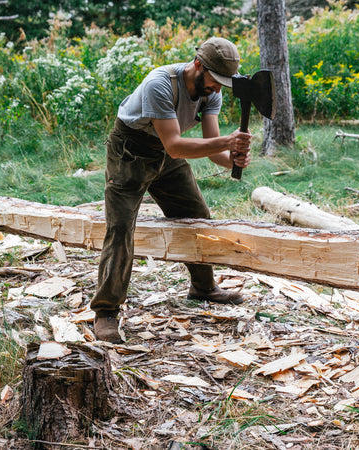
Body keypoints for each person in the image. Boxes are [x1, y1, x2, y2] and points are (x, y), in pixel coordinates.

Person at [91, 37, 252, 343]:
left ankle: (203, 287)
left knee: (198, 218)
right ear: (197, 65)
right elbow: (176, 145)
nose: (218, 88)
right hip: (131, 150)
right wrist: (227, 143)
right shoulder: (160, 83)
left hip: (167, 154)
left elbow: (212, 149)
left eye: (223, 83)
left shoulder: (210, 94)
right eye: (215, 80)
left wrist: (233, 157)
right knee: (121, 227)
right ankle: (106, 311)